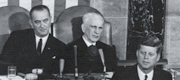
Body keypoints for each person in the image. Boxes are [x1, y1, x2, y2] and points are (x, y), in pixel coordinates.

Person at [0, 5, 67, 77]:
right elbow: (3, 64)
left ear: (50, 19)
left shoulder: (60, 46)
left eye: (45, 20)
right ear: (31, 23)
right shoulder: (16, 38)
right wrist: (30, 71)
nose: (42, 25)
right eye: (37, 22)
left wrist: (37, 76)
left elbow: (60, 74)